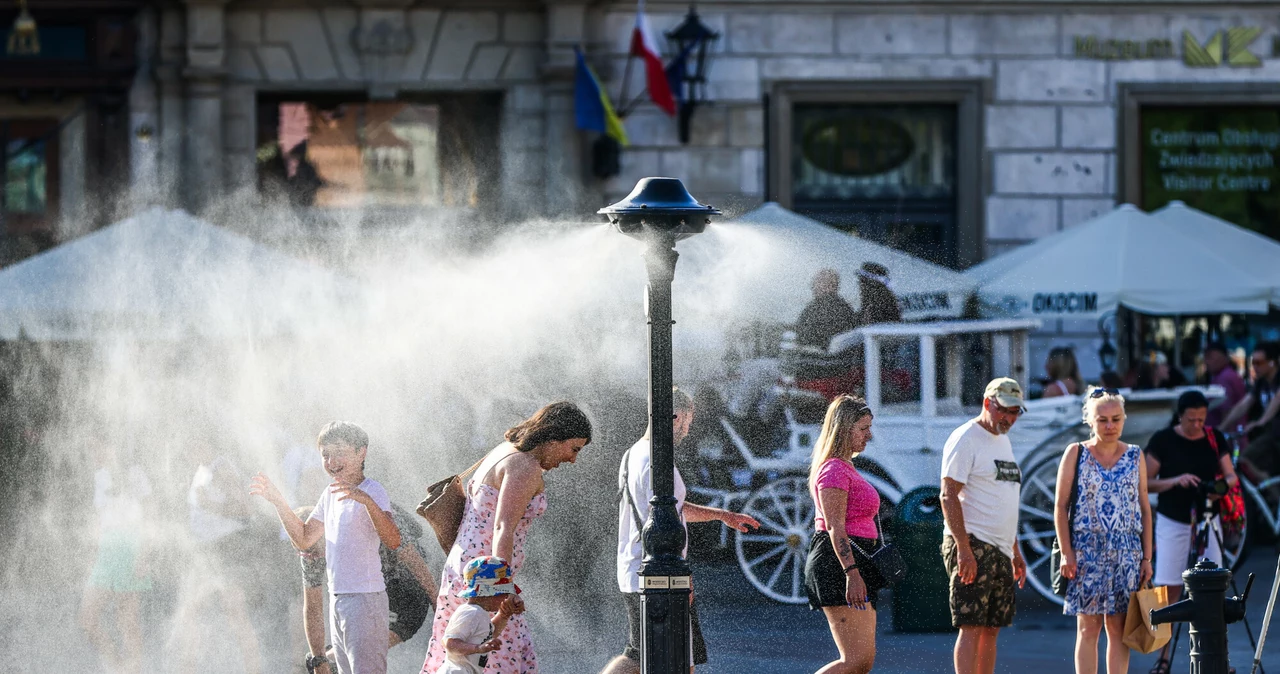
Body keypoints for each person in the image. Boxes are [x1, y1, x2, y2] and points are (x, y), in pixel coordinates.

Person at [420, 402, 592, 674]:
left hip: (465, 572)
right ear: (553, 437)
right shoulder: (525, 466)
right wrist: (500, 588)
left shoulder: (503, 451)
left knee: (456, 661)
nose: (573, 459)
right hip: (486, 580)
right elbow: (503, 527)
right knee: (503, 658)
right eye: (574, 448)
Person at [600, 387, 759, 674]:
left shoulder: (632, 454)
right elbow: (665, 522)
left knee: (638, 655)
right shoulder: (656, 461)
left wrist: (723, 515)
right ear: (676, 416)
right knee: (676, 663)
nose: (688, 430)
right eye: (688, 421)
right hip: (656, 573)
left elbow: (673, 509)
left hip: (634, 568)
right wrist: (681, 576)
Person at [251, 421, 402, 674]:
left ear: (361, 452)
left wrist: (365, 501)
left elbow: (393, 540)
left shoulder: (373, 490)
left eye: (340, 452)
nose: (331, 461)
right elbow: (304, 538)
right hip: (338, 600)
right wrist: (278, 501)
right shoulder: (330, 493)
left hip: (366, 600)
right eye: (325, 455)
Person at [1054, 387, 1153, 674]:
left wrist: (1146, 557)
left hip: (1126, 552)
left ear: (1124, 419)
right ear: (1090, 420)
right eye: (1102, 420)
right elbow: (1060, 507)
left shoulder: (1136, 455)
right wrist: (1066, 553)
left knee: (1119, 627)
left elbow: (1145, 508)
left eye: (1116, 419)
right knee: (1088, 627)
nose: (1110, 426)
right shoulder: (1076, 453)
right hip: (1086, 551)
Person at [1143, 391, 1239, 674]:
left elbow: (1231, 474)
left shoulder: (1213, 437)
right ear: (1180, 415)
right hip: (1174, 519)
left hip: (1208, 517)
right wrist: (1176, 481)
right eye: (1191, 420)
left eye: (1201, 419)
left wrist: (1219, 486)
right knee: (1169, 589)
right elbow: (1145, 483)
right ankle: (1163, 658)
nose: (1197, 425)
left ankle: (1220, 657)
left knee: (1216, 588)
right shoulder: (1164, 440)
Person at [940, 377, 1028, 674]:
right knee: (972, 625)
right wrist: (963, 548)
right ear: (987, 403)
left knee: (993, 628)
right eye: (1005, 410)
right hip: (973, 541)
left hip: (1001, 547)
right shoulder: (966, 437)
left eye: (1015, 412)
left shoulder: (1002, 440)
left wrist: (1015, 550)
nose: (1010, 418)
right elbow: (947, 494)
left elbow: (1003, 498)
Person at [293, 502, 439, 674]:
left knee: (360, 654)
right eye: (304, 552)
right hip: (365, 592)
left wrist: (438, 600)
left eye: (313, 551)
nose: (312, 558)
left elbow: (412, 557)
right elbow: (313, 608)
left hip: (407, 587)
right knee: (331, 661)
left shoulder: (362, 517)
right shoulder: (309, 548)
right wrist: (318, 660)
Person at [803, 395, 884, 674]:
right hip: (840, 565)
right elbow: (834, 526)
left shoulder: (845, 466)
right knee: (855, 660)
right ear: (844, 429)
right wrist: (852, 573)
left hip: (856, 563)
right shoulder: (833, 469)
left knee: (862, 662)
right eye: (863, 429)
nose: (869, 435)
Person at [81, 449, 154, 674]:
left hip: (129, 544)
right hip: (106, 549)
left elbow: (151, 514)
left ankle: (133, 670)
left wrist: (144, 554)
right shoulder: (99, 475)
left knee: (127, 621)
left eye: (94, 445)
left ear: (108, 444)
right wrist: (92, 556)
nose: (92, 452)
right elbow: (99, 519)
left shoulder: (135, 472)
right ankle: (120, 667)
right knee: (87, 621)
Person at [436, 556, 519, 674]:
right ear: (488, 592)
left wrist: (504, 615)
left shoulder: (479, 613)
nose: (506, 597)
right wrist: (477, 649)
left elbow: (490, 633)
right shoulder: (471, 613)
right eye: (504, 592)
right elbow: (450, 643)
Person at [1221, 341, 1280, 478]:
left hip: (1274, 435)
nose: (1254, 367)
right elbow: (1243, 405)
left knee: (1246, 460)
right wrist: (1221, 427)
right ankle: (1270, 493)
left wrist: (1261, 422)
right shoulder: (1261, 383)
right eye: (1253, 362)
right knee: (1246, 463)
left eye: (1259, 362)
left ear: (1272, 363)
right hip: (1271, 435)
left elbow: (1277, 399)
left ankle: (1274, 494)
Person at [796, 269, 859, 350]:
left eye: (817, 282)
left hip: (819, 358)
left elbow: (807, 337)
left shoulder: (828, 308)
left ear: (830, 286)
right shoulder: (843, 307)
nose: (812, 287)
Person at [1202, 342, 1246, 428]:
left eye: (1210, 357)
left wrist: (1220, 434)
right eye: (1205, 358)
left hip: (1226, 436)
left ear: (1223, 357)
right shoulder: (1224, 375)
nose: (1206, 362)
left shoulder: (1224, 378)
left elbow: (1226, 410)